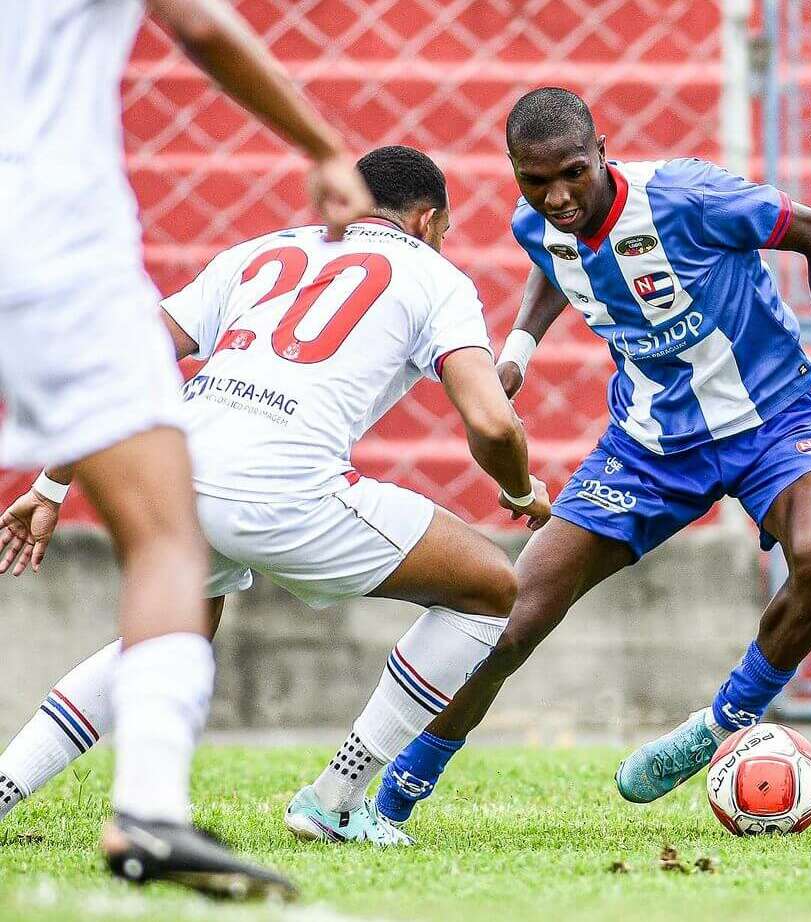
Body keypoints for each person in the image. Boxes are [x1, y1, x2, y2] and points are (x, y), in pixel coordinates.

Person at [0, 149, 549, 867]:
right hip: (284, 487)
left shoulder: (264, 250)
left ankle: (6, 786)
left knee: (171, 633)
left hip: (180, 472)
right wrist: (519, 489)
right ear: (429, 219)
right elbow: (493, 423)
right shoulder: (435, 274)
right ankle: (338, 798)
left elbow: (133, 354)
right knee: (491, 588)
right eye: (443, 227)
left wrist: (52, 482)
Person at [374, 87, 811, 822]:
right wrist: (517, 350)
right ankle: (395, 795)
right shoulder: (536, 224)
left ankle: (723, 724)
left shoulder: (690, 196)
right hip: (648, 448)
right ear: (515, 171)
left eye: (572, 174)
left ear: (603, 152)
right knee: (510, 619)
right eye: (535, 180)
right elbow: (557, 259)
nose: (557, 197)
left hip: (774, 420)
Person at [0, 0, 378, 899]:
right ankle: (148, 810)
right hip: (51, 245)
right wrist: (323, 146)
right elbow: (203, 27)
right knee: (171, 541)